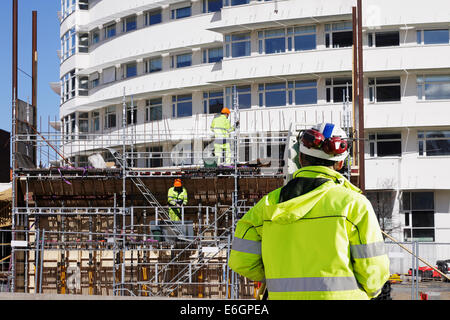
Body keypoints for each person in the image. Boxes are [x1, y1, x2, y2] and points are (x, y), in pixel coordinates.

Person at [228, 122, 390, 300]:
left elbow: (241, 261)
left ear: (300, 158)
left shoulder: (266, 205)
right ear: (341, 163)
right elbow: (375, 273)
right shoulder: (354, 204)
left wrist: (280, 277)